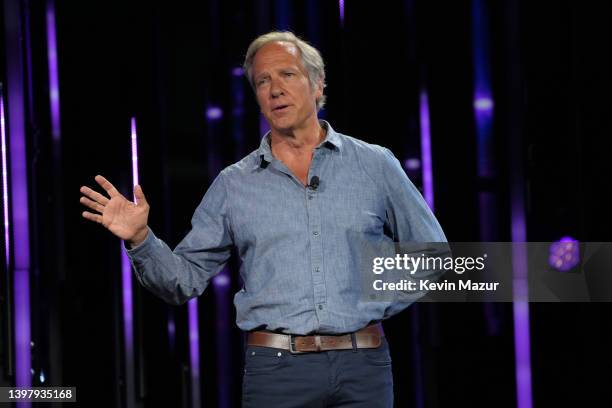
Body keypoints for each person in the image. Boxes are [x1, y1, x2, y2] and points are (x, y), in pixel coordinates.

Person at [80, 31, 446, 407]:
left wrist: (369, 299)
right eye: (262, 81)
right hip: (277, 371)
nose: (274, 89)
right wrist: (141, 238)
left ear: (318, 84)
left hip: (364, 366)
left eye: (287, 74)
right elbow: (181, 280)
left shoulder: (374, 164)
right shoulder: (234, 184)